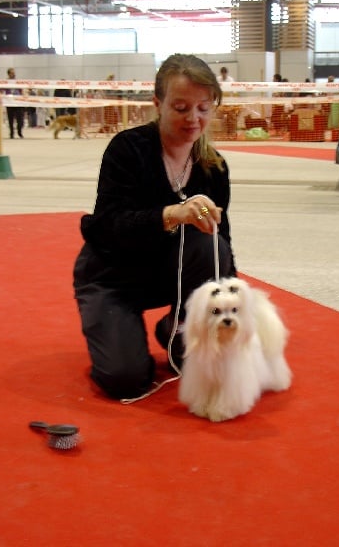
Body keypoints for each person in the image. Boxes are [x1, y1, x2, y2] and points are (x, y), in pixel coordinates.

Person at [73, 54, 236, 400]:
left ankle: (176, 325)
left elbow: (222, 246)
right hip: (112, 277)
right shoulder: (127, 149)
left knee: (212, 244)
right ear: (157, 103)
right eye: (181, 108)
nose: (194, 118)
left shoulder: (214, 168)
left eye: (203, 108)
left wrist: (234, 302)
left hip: (168, 275)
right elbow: (107, 226)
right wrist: (172, 214)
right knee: (126, 379)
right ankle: (126, 329)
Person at [5, 68, 24, 139]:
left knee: (20, 119)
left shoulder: (17, 81)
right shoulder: (6, 82)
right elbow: (2, 90)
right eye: (12, 73)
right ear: (9, 74)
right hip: (9, 102)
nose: (14, 74)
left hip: (17, 102)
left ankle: (19, 132)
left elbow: (21, 90)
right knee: (10, 119)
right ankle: (11, 133)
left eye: (14, 73)